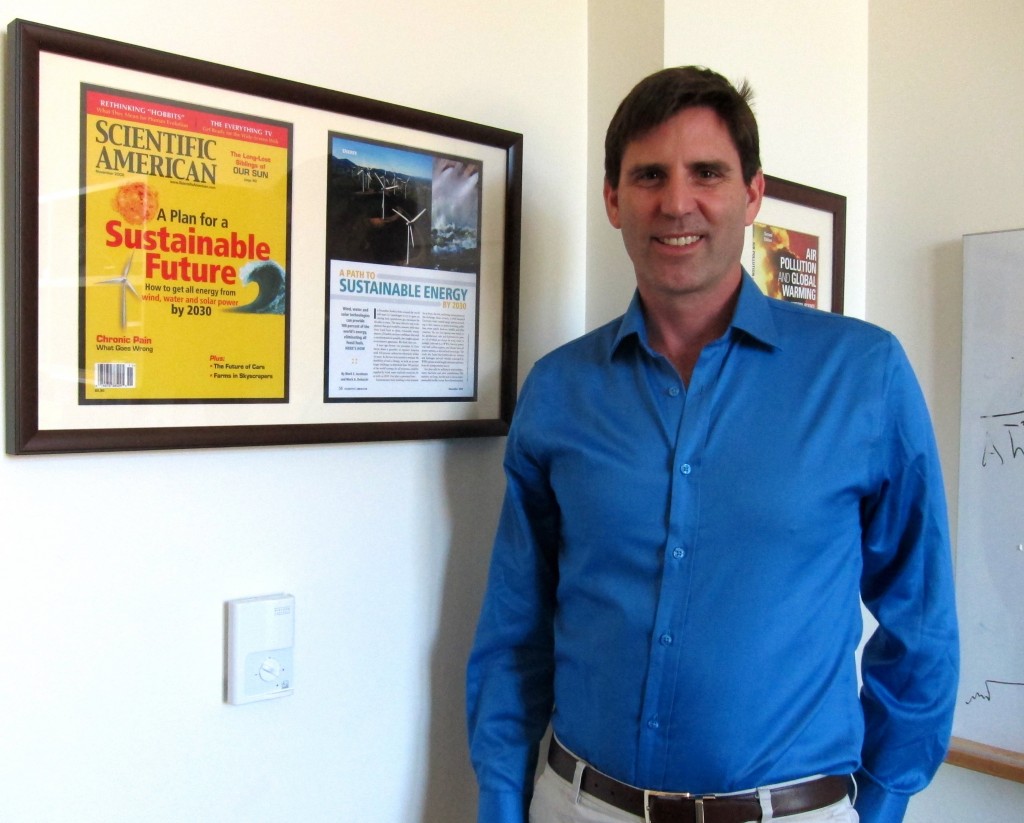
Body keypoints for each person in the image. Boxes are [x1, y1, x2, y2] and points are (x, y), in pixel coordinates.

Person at [466, 66, 958, 823]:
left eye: (707, 173)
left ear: (753, 193)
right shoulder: (559, 390)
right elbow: (514, 626)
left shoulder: (863, 374)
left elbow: (919, 619)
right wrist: (502, 800)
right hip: (579, 804)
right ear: (613, 199)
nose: (676, 202)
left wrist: (884, 801)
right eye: (649, 176)